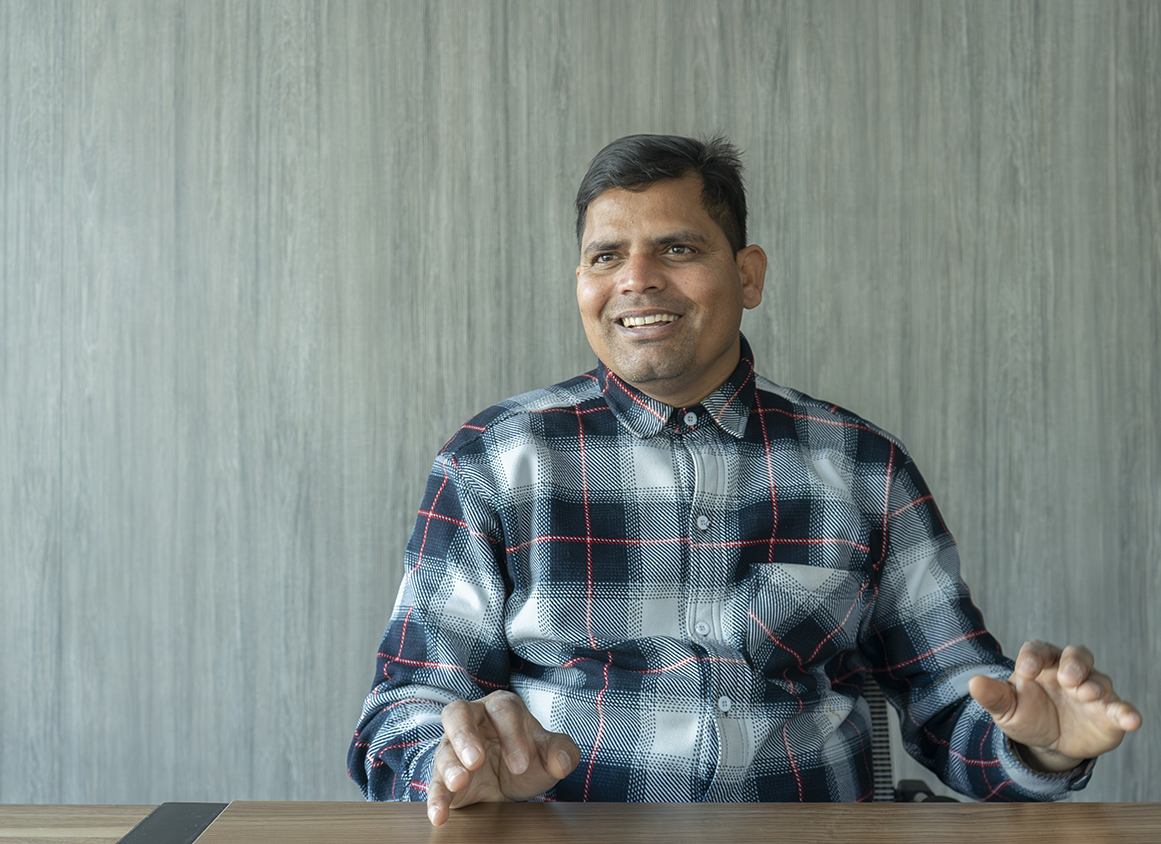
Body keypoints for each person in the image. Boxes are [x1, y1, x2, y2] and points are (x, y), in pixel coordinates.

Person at [348, 135, 1141, 824]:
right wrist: (451, 769)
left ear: (749, 275)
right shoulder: (493, 461)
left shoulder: (864, 467)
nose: (636, 279)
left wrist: (1038, 744)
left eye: (677, 249)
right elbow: (403, 711)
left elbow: (950, 699)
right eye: (605, 256)